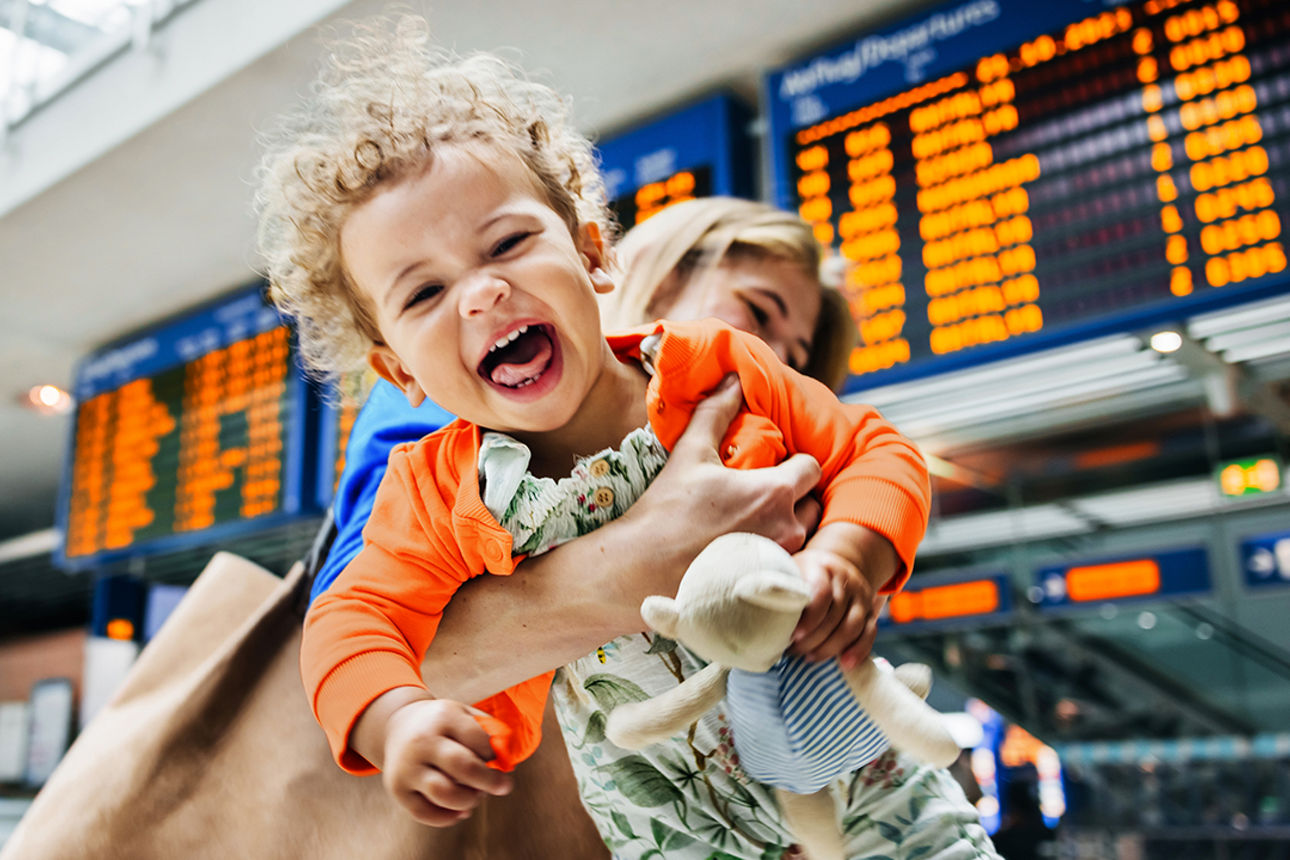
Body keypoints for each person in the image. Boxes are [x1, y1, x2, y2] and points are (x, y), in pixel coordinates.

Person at [256, 16, 999, 858]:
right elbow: (353, 615)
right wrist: (393, 720)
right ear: (400, 374)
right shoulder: (431, 488)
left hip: (864, 779)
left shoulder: (714, 366)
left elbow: (876, 450)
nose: (480, 294)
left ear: (590, 252)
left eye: (507, 243)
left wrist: (849, 559)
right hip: (679, 832)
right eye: (423, 295)